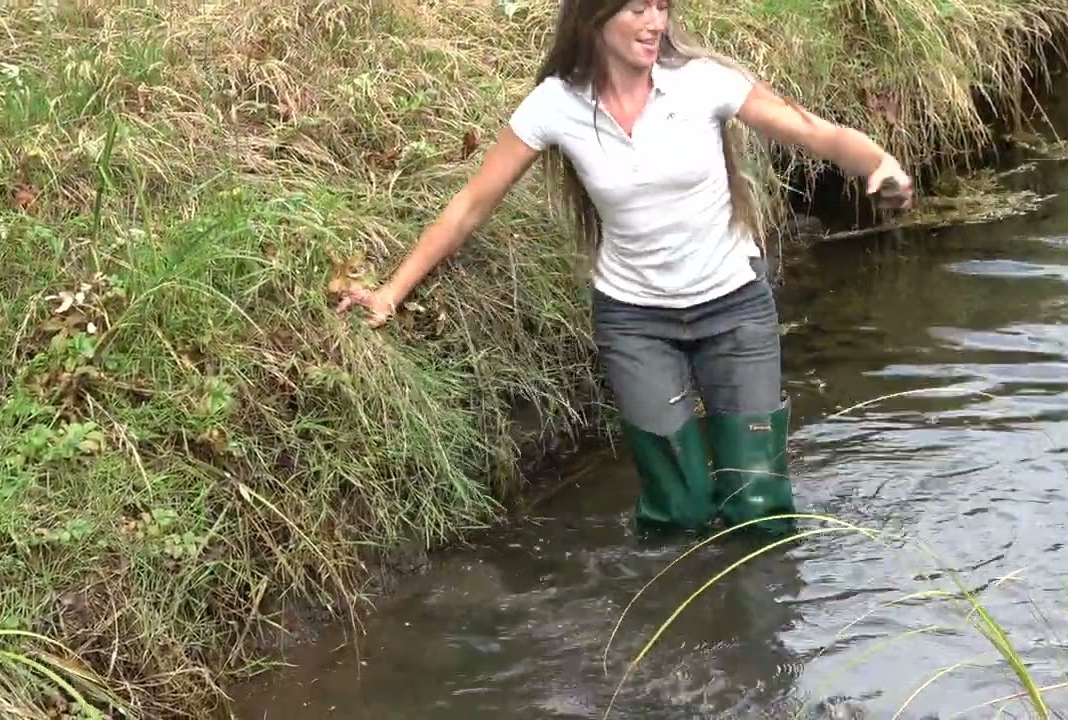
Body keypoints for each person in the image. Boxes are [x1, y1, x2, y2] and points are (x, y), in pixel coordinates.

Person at [335, 0, 913, 538]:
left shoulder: (701, 81)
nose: (654, 21)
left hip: (734, 306)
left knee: (759, 508)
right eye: (637, 7)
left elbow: (813, 130)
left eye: (661, 5)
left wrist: (879, 163)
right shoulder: (554, 104)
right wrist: (390, 292)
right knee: (677, 510)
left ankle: (761, 633)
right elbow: (469, 206)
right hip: (636, 322)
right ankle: (680, 627)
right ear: (595, 16)